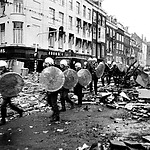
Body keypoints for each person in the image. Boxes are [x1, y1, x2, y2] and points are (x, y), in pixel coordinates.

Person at [0, 60, 24, 126]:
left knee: (3, 106)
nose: (1, 69)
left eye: (2, 68)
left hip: (9, 92)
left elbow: (15, 82)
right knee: (10, 104)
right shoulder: (1, 74)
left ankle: (3, 120)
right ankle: (20, 111)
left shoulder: (9, 74)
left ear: (5, 67)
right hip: (4, 91)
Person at [43, 57, 60, 122]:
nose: (45, 64)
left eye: (46, 63)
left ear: (50, 63)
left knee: (53, 102)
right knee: (49, 101)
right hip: (49, 88)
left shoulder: (53, 70)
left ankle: (56, 116)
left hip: (54, 88)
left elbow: (55, 79)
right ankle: (55, 112)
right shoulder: (47, 70)